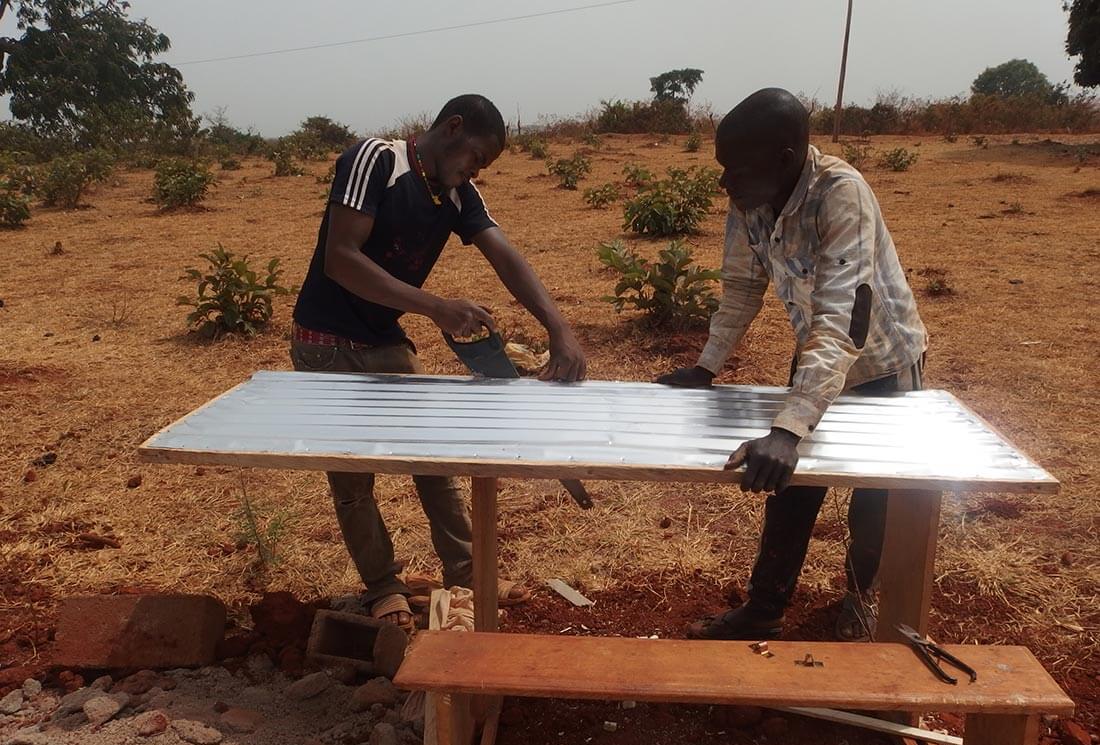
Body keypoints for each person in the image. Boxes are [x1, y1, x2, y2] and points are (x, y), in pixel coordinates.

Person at [291, 94, 586, 630]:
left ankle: (470, 575)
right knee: (353, 477)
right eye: (477, 157)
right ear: (453, 128)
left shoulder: (455, 194)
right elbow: (341, 259)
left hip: (383, 339)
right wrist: (435, 307)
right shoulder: (375, 161)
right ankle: (383, 588)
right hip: (326, 343)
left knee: (435, 462)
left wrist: (559, 328)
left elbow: (505, 255)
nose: (477, 170)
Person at [656, 88, 928, 641]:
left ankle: (858, 601)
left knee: (874, 502)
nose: (725, 182)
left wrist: (788, 428)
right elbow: (740, 287)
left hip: (883, 368)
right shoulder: (751, 201)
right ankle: (765, 608)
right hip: (816, 361)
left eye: (736, 169)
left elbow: (841, 316)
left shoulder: (841, 194)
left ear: (785, 158)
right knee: (788, 491)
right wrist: (706, 367)